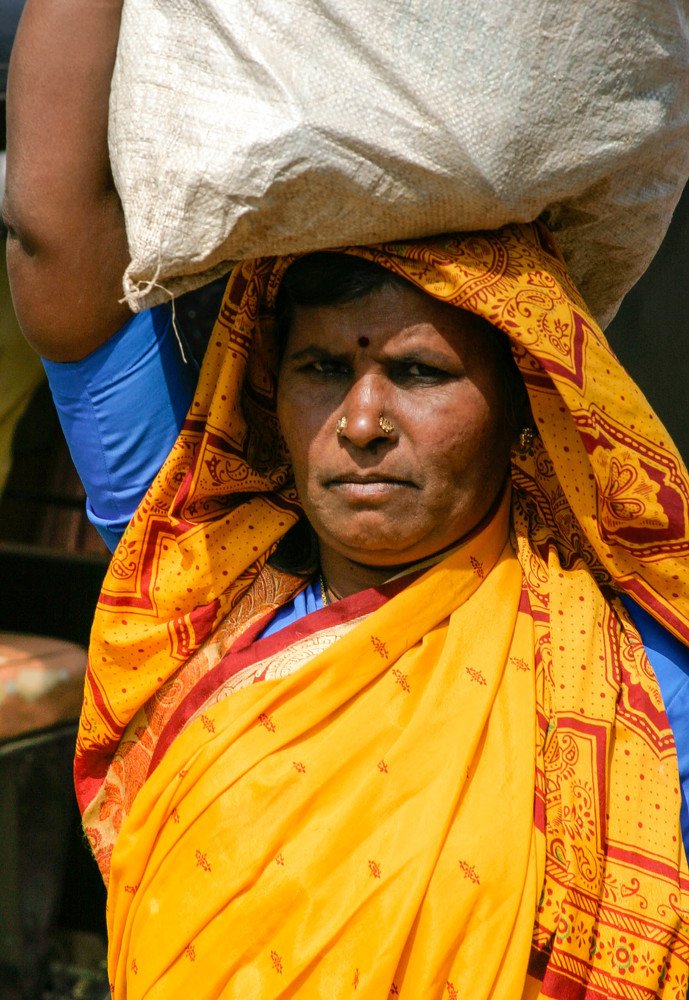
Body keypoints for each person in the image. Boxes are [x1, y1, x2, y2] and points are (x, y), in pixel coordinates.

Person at [5, 2, 689, 998]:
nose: (361, 419)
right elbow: (51, 230)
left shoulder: (631, 680)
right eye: (322, 367)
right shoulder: (195, 588)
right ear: (269, 394)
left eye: (416, 373)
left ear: (524, 404)